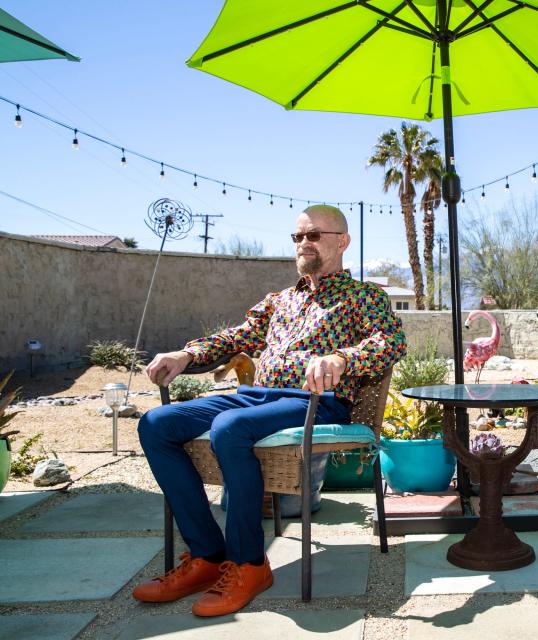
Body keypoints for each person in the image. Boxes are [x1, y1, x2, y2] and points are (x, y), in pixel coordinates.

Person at [133, 205, 406, 617]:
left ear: (342, 242)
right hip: (260, 396)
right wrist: (186, 354)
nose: (303, 244)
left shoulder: (363, 296)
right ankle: (207, 556)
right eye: (297, 238)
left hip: (318, 402)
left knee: (230, 428)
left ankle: (249, 565)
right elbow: (236, 336)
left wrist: (341, 359)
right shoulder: (281, 300)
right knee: (156, 424)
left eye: (313, 235)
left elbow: (390, 342)